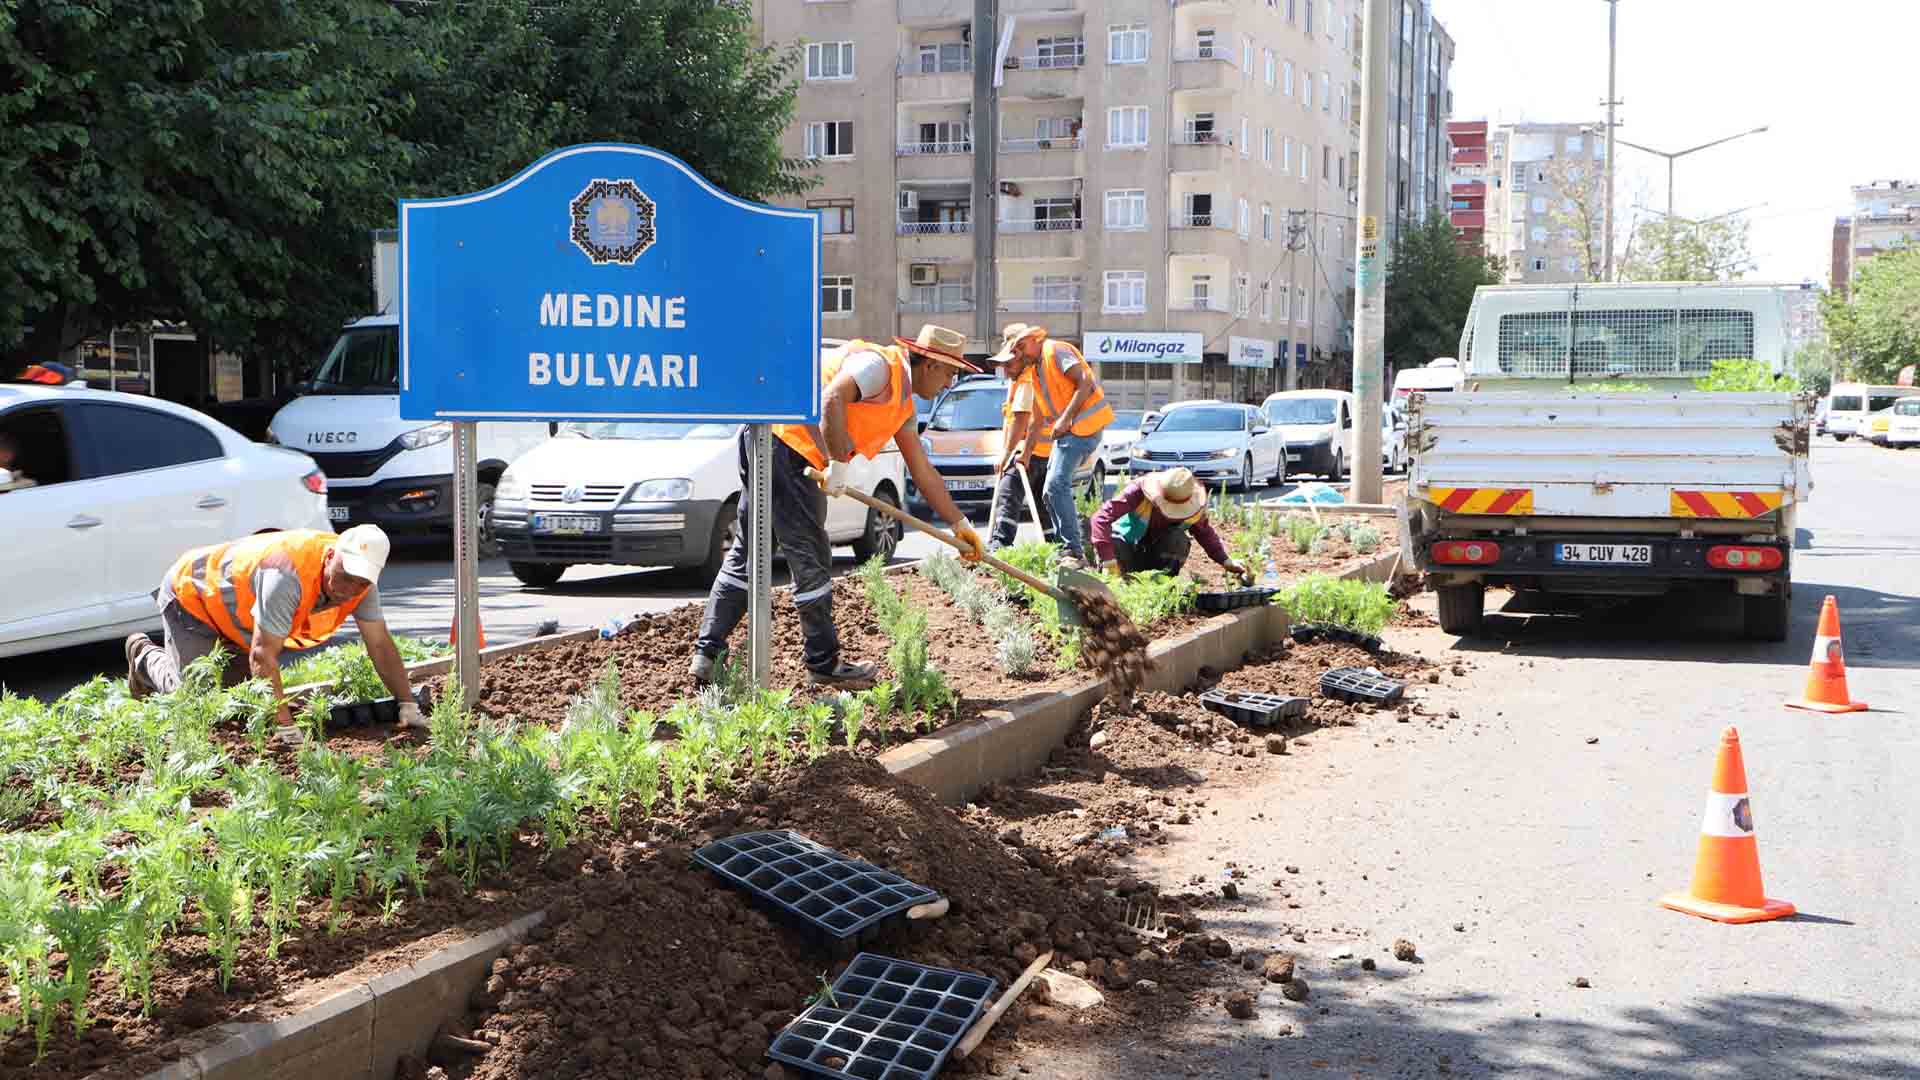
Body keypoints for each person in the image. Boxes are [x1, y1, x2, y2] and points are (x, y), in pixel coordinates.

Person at [691, 325, 987, 690]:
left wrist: (959, 525)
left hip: (770, 438)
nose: (949, 383)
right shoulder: (880, 367)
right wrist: (839, 466)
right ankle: (823, 662)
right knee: (811, 557)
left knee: (749, 551)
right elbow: (832, 398)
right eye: (950, 373)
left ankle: (706, 655)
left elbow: (922, 471)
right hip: (790, 447)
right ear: (929, 364)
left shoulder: (904, 405)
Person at [125, 525, 425, 731]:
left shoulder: (361, 584)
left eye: (361, 582)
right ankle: (144, 659)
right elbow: (262, 654)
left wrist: (407, 702)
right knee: (196, 702)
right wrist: (285, 727)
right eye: (345, 576)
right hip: (193, 596)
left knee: (236, 706)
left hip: (238, 621)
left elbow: (380, 645)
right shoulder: (287, 575)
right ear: (331, 555)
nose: (350, 589)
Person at [989, 323, 1113, 564]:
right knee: (1048, 492)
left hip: (1083, 429)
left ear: (1030, 342)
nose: (1017, 356)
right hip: (1066, 435)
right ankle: (1065, 545)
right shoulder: (1035, 371)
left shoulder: (1055, 351)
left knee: (1056, 485)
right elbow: (1035, 419)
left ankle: (1073, 551)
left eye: (1019, 350)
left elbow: (1085, 380)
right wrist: (1025, 454)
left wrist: (1065, 419)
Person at [1090, 468, 1251, 582]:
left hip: (1158, 557)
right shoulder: (1138, 490)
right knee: (1115, 542)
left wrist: (1226, 561)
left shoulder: (1193, 506)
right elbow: (1100, 519)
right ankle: (1121, 586)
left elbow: (1205, 533)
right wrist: (1109, 562)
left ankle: (1159, 586)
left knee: (1178, 539)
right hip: (1129, 549)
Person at [987, 363, 1054, 550]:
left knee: (1008, 492)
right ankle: (1052, 544)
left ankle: (1000, 543)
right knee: (1043, 503)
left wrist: (1007, 453)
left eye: (1008, 365)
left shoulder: (1026, 381)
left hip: (1028, 453)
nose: (1005, 371)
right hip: (1046, 452)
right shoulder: (1035, 377)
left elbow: (1021, 418)